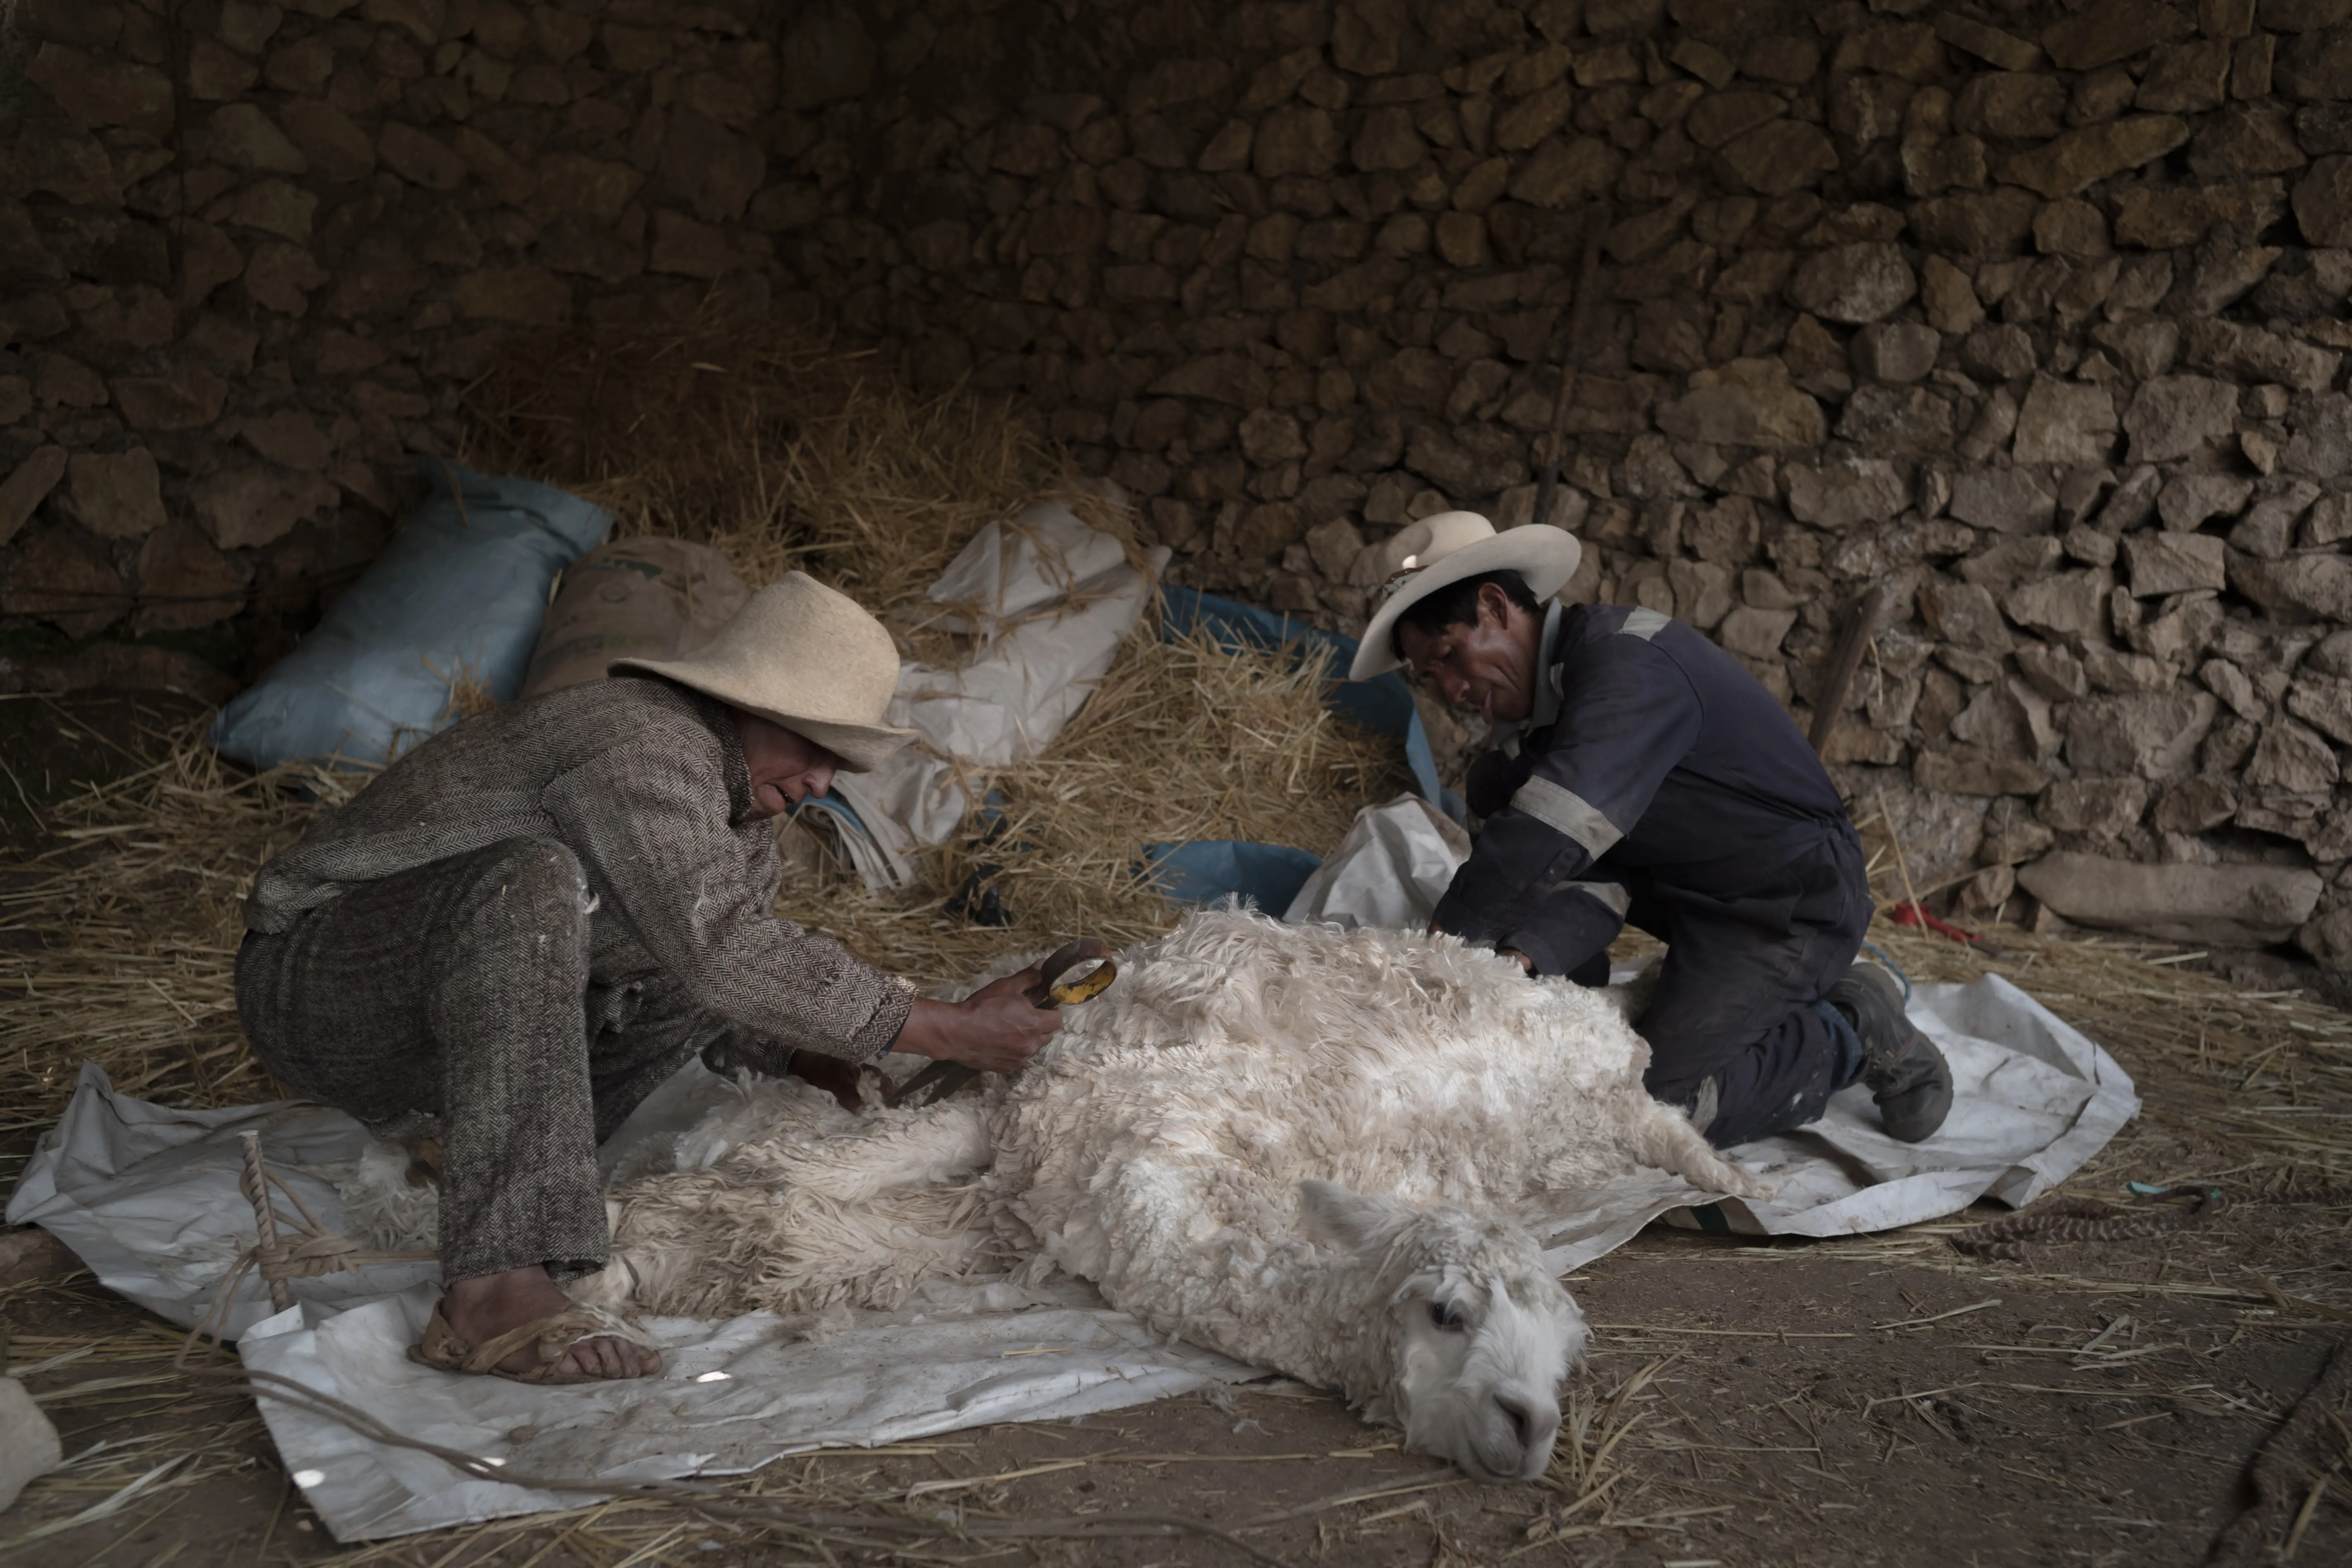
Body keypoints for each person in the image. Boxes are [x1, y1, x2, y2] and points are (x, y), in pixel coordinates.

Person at [236, 572, 1062, 1384]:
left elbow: (718, 962)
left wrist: (799, 1050)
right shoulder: (637, 742)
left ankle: (478, 1158)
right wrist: (947, 1027)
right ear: (749, 704)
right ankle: (491, 1287)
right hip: (318, 984)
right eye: (817, 749)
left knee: (687, 947)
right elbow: (721, 945)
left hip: (439, 1020)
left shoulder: (731, 816)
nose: (821, 784)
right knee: (531, 886)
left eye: (838, 764)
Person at [1350, 512, 1951, 1152]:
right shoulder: (1508, 770)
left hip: (1790, 905)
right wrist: (1524, 960)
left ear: (1496, 606)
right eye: (1430, 675)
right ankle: (1767, 1003)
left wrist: (1441, 956)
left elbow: (1550, 833)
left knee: (1656, 1113)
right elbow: (1585, 880)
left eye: (1449, 656)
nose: (1450, 688)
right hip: (1696, 911)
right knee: (1579, 1085)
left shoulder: (1629, 665)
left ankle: (1852, 1029)